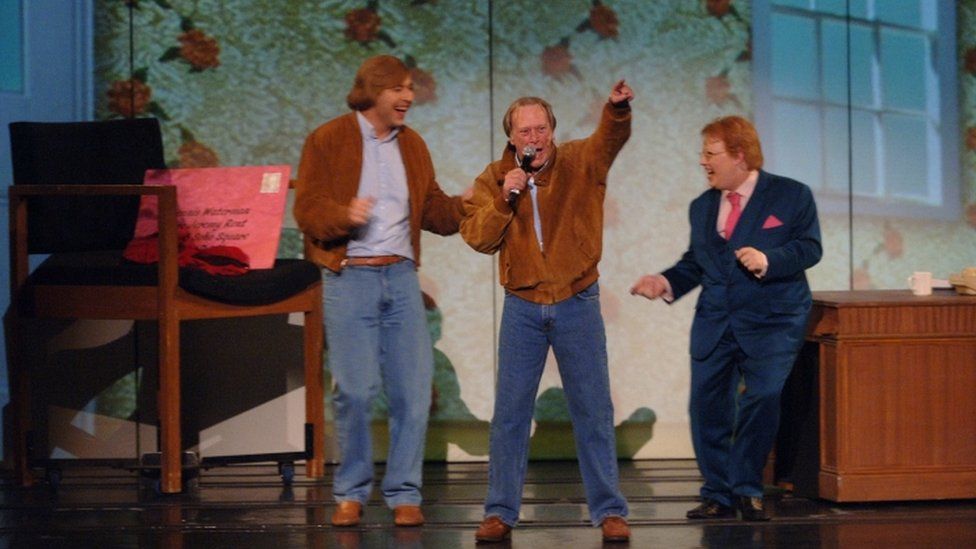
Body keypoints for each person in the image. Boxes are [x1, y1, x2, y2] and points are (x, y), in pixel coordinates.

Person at [293, 54, 466, 528]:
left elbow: (432, 210)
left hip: (401, 276)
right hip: (350, 276)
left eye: (410, 88)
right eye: (399, 88)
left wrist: (466, 205)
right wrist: (344, 215)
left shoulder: (413, 146)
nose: (408, 97)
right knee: (354, 390)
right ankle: (350, 492)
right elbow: (307, 210)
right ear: (373, 91)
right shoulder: (328, 139)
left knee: (412, 390)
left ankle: (404, 492)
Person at [461, 80, 634, 543]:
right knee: (510, 413)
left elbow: (609, 140)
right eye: (524, 131)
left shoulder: (580, 161)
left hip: (577, 300)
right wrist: (505, 196)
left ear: (553, 132)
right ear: (511, 138)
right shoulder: (493, 178)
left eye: (541, 128)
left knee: (593, 409)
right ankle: (500, 511)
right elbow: (477, 237)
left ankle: (609, 510)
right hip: (522, 305)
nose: (533, 138)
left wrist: (615, 110)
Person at [629, 115, 822, 521]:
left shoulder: (791, 195)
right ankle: (717, 492)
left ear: (739, 155)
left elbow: (809, 248)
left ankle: (746, 487)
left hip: (772, 320)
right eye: (703, 153)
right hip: (716, 322)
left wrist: (769, 258)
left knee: (763, 397)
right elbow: (696, 264)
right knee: (706, 408)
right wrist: (663, 282)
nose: (703, 162)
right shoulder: (702, 206)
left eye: (710, 153)